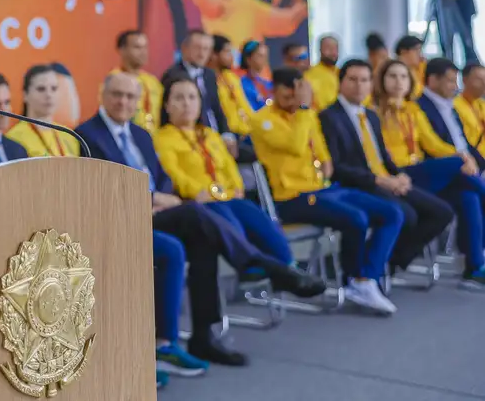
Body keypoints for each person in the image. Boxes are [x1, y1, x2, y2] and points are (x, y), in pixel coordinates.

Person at [76, 73, 323, 369]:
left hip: (159, 210)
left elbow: (162, 179)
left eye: (130, 97)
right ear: (102, 94)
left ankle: (203, 337)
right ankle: (264, 266)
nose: (123, 102)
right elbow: (97, 189)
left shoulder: (140, 134)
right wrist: (151, 199)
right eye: (117, 95)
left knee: (203, 236)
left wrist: (161, 197)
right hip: (122, 217)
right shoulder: (86, 136)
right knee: (195, 213)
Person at [251, 68, 403, 313]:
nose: (293, 95)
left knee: (391, 213)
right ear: (274, 90)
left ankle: (366, 279)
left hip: (323, 190)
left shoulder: (308, 116)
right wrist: (302, 110)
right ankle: (355, 279)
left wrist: (321, 159)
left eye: (299, 89)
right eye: (288, 89)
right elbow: (296, 145)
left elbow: (325, 157)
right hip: (292, 198)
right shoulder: (262, 120)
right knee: (356, 218)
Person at [319, 60, 458, 290]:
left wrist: (399, 176)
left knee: (441, 212)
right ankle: (367, 274)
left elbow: (383, 156)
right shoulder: (329, 116)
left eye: (364, 80)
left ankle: (391, 263)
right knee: (406, 214)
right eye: (352, 80)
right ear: (340, 82)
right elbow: (338, 167)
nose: (359, 86)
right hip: (359, 184)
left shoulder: (370, 116)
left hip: (385, 179)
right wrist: (380, 180)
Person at [154, 76, 304, 271]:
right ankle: (252, 268)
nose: (186, 104)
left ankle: (289, 265)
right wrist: (200, 192)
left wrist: (237, 188)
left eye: (192, 97)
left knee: (255, 215)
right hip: (199, 201)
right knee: (226, 215)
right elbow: (173, 173)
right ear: (166, 105)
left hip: (228, 196)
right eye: (179, 98)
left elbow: (228, 166)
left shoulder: (209, 134)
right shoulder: (162, 138)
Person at [376, 58, 485, 287]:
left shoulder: (412, 110)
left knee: (469, 197)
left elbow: (432, 143)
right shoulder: (374, 112)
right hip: (396, 173)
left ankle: (474, 268)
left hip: (419, 171)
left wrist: (462, 157)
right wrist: (461, 159)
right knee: (460, 170)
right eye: (393, 77)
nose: (398, 82)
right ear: (382, 80)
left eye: (404, 77)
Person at [5, 65, 81, 157]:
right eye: (41, 89)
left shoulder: (69, 134)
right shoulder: (14, 138)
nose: (49, 95)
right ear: (25, 95)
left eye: (54, 88)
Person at [109, 30, 164, 134]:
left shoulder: (153, 81)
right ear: (122, 50)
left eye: (145, 47)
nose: (143, 52)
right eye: (137, 47)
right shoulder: (114, 80)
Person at [208, 35, 251, 136]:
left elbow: (245, 107)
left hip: (246, 133)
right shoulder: (205, 81)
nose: (232, 57)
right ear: (213, 55)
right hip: (225, 135)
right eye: (227, 52)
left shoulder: (232, 77)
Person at [304, 35, 341, 110]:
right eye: (328, 48)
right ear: (320, 50)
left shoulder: (343, 73)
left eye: (335, 48)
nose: (332, 52)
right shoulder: (310, 75)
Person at [455, 61, 485, 149]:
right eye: (479, 79)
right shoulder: (454, 107)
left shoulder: (482, 105)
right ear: (464, 80)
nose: (484, 83)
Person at [238, 40, 273, 111]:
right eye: (260, 56)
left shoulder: (269, 84)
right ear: (248, 59)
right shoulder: (239, 83)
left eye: (266, 56)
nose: (265, 60)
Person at [394, 35, 426, 101]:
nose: (420, 55)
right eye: (416, 50)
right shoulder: (394, 72)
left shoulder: (414, 70)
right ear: (403, 51)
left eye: (420, 51)